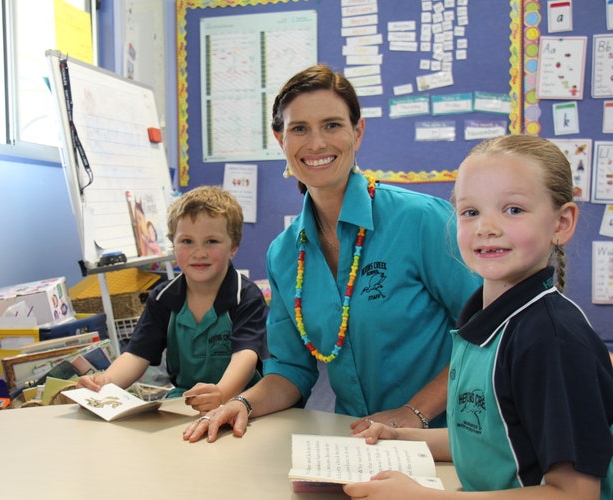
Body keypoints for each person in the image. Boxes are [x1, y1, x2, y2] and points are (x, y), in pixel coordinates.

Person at [183, 64, 481, 443]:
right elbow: (291, 369)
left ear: (358, 132)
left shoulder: (422, 221)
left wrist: (414, 412)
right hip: (355, 443)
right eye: (299, 129)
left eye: (332, 125)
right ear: (280, 139)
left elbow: (485, 330)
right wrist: (242, 403)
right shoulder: (284, 253)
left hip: (447, 441)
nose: (317, 143)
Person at [345, 135, 613, 499]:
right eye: (471, 212)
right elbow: (493, 441)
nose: (486, 227)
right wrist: (405, 438)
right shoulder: (483, 321)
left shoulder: (551, 341)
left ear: (561, 223)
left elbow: (575, 493)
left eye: (513, 209)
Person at [76, 185, 269, 415]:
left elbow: (245, 356)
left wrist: (222, 392)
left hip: (240, 398)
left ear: (233, 248)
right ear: (173, 245)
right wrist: (105, 381)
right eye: (187, 241)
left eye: (212, 241)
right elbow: (137, 354)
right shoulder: (162, 298)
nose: (199, 252)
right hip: (186, 400)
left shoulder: (245, 297)